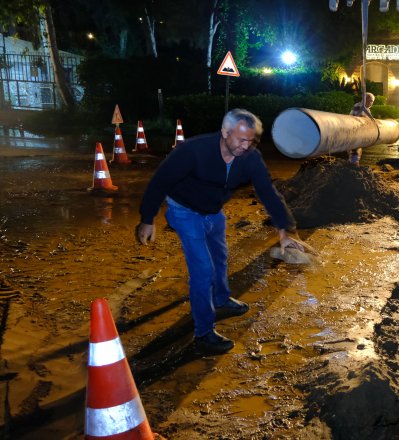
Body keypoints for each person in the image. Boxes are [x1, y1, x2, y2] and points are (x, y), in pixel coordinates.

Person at [136, 108, 311, 354]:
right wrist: (147, 218)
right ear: (225, 133)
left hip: (213, 211)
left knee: (220, 257)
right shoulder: (193, 151)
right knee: (203, 270)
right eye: (241, 139)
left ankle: (220, 299)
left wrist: (285, 228)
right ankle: (204, 333)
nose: (245, 146)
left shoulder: (250, 157)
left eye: (251, 140)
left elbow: (267, 191)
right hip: (184, 211)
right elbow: (160, 181)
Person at [349, 92, 375, 166]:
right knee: (355, 149)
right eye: (370, 100)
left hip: (358, 131)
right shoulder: (359, 106)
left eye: (372, 101)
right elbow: (360, 118)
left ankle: (354, 164)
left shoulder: (366, 109)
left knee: (357, 149)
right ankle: (354, 165)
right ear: (364, 99)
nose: (371, 103)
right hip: (355, 131)